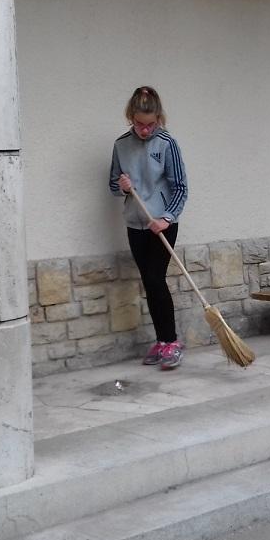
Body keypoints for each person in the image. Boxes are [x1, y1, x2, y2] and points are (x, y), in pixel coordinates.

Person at [109, 86, 188, 370]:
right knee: (149, 282)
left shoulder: (167, 143)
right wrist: (123, 186)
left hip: (161, 225)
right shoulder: (121, 145)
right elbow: (113, 185)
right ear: (130, 117)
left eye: (150, 124)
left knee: (156, 279)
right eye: (139, 124)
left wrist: (166, 217)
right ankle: (162, 340)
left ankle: (172, 341)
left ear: (158, 118)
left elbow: (180, 187)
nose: (145, 130)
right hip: (135, 223)